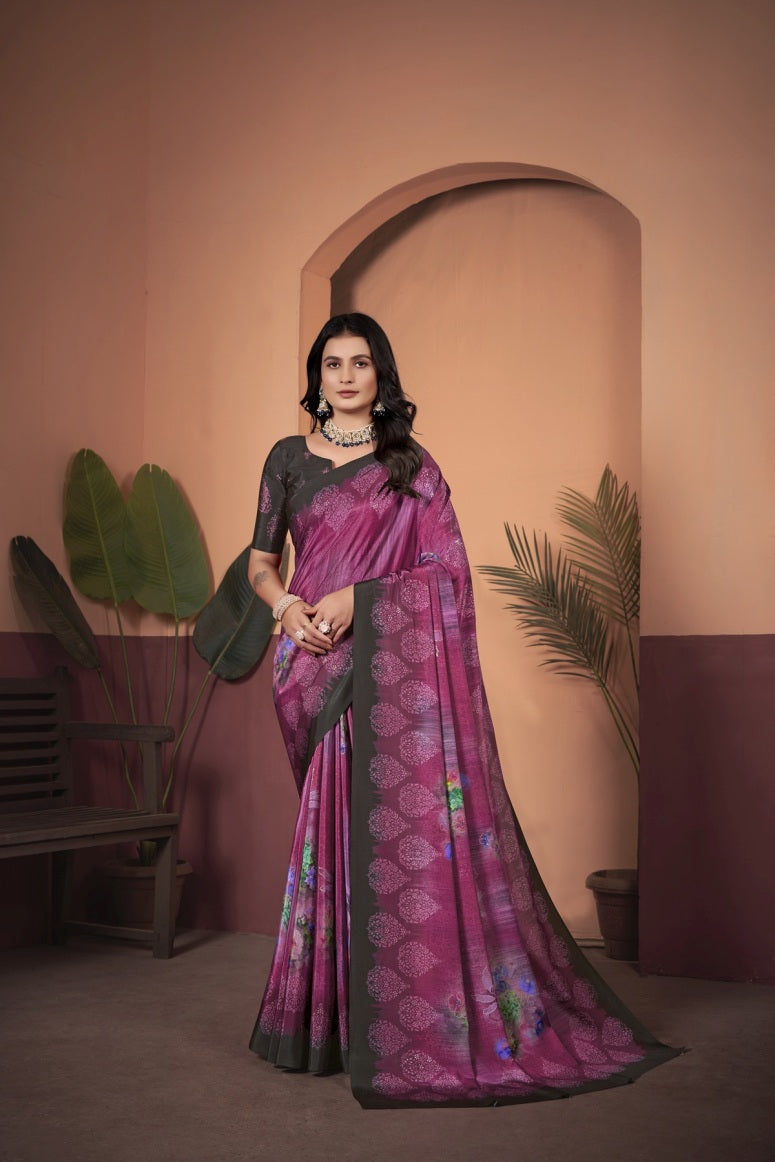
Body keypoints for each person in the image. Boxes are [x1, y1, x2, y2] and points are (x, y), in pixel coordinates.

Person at [247, 313, 679, 1108]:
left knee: (384, 831)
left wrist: (358, 598)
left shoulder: (410, 465)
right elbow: (261, 563)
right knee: (326, 832)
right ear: (316, 378)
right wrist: (286, 608)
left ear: (381, 376)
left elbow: (444, 572)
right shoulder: (285, 460)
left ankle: (394, 1018)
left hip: (378, 665)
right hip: (309, 663)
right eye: (332, 364)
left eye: (360, 363)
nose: (346, 376)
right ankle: (324, 1020)